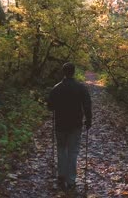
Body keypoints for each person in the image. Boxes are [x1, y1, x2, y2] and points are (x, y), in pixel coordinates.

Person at [48, 62, 92, 191]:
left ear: (64, 72)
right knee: (73, 151)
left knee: (61, 149)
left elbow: (50, 107)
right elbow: (87, 105)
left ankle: (61, 175)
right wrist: (88, 120)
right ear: (73, 72)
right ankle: (71, 180)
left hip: (60, 124)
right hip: (75, 125)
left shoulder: (56, 88)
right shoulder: (81, 88)